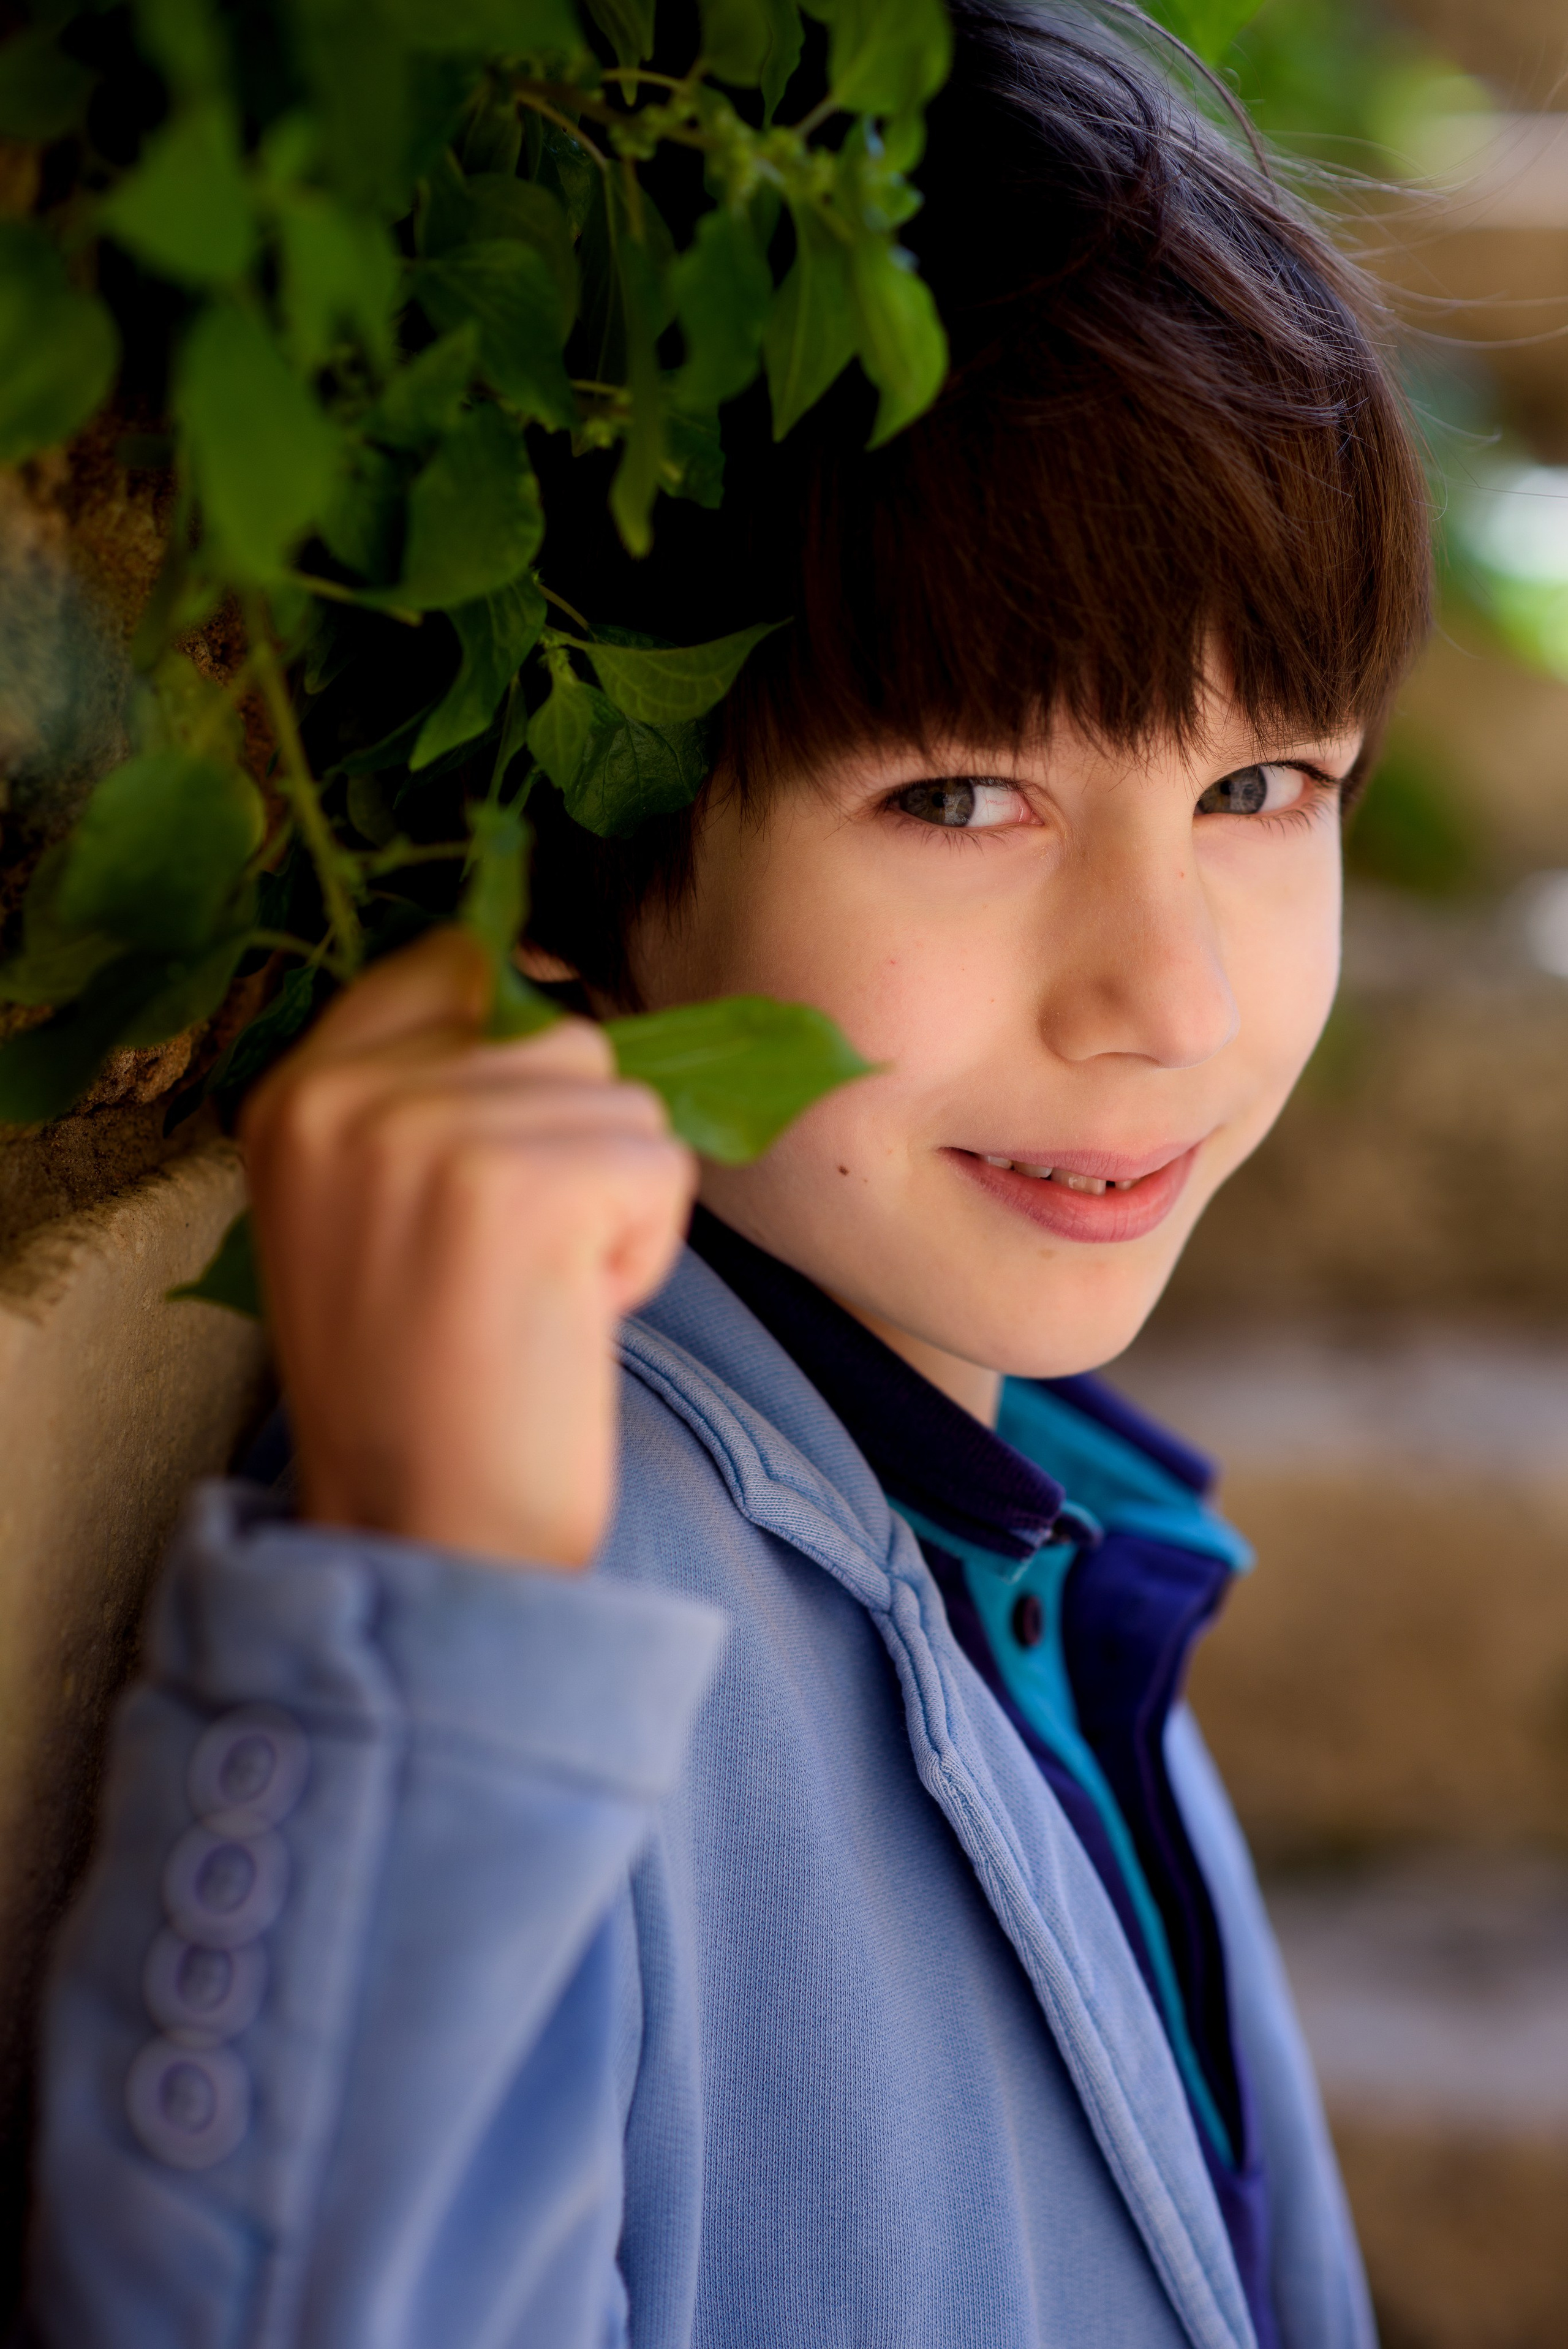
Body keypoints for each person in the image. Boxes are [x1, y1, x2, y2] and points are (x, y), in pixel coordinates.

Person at [24, 4, 1431, 2343]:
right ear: (590, 823)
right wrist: (439, 1606)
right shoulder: (553, 1567)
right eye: (963, 797)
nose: (1169, 1000)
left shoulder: (1036, 1515)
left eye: (1263, 787)